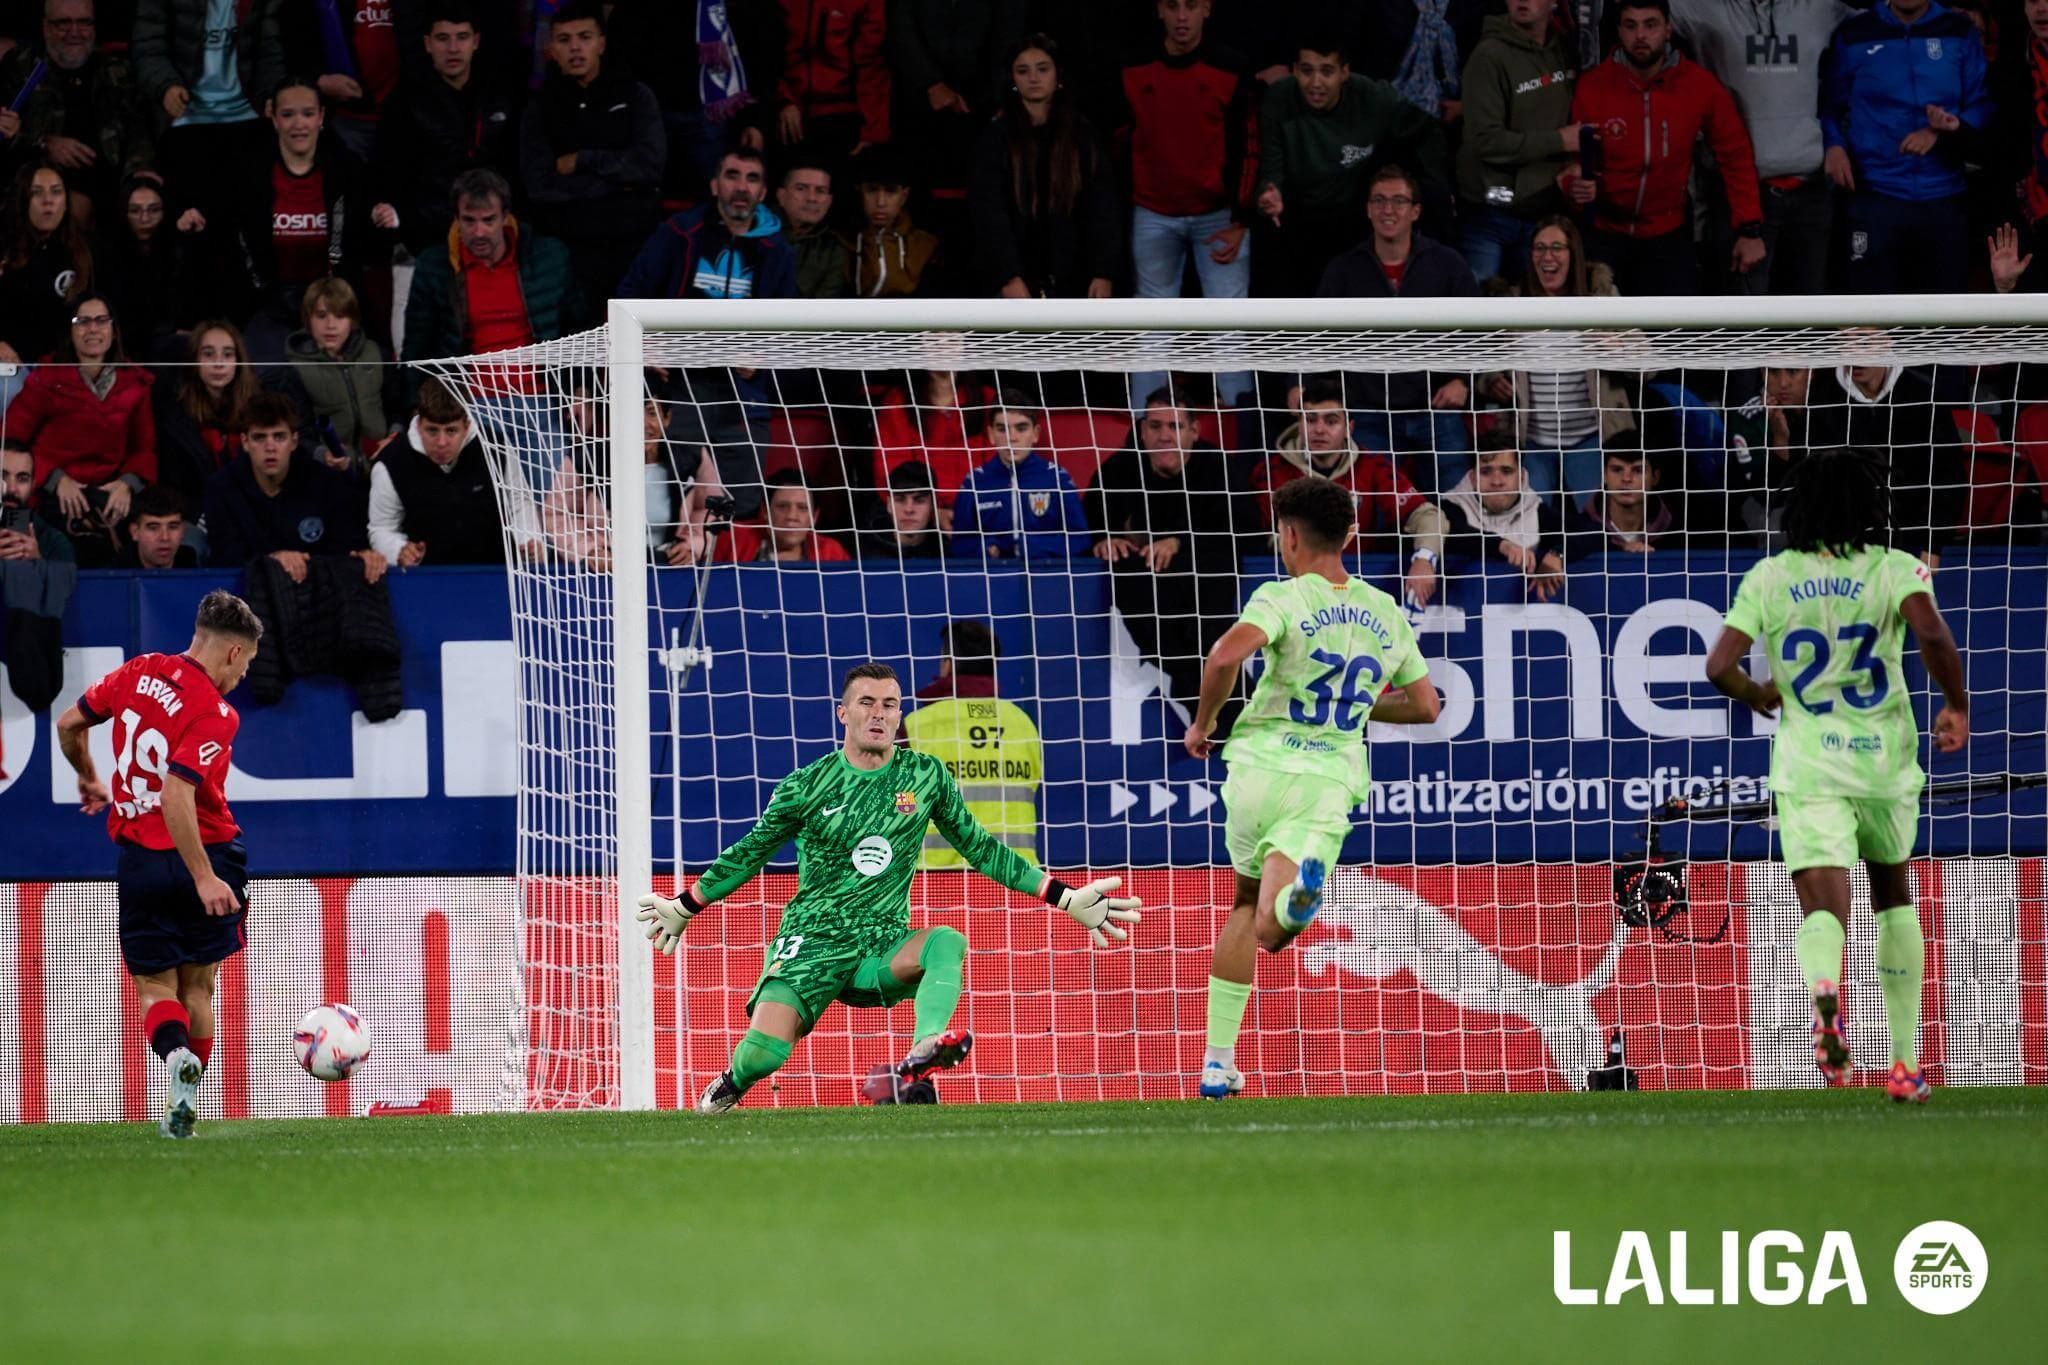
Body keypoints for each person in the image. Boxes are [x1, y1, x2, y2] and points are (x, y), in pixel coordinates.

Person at [633, 661, 1140, 1113]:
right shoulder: (806, 785)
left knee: (947, 941)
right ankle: (730, 1083)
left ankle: (922, 1051)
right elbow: (752, 850)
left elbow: (982, 848)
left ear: (900, 716)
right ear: (843, 714)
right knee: (765, 1056)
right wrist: (686, 903)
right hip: (813, 939)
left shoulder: (926, 776)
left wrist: (1066, 896)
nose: (879, 713)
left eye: (890, 704)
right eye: (867, 703)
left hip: (882, 941)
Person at [1704, 448, 1970, 1103]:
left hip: (1810, 762)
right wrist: (1957, 703)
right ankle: (1905, 1063)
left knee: (1824, 908)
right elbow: (1931, 633)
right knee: (1892, 894)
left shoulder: (1770, 576)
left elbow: (1717, 665)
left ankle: (1826, 991)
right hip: (1882, 760)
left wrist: (1756, 692)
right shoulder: (1893, 568)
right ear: (1868, 506)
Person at [1183, 474, 1441, 1099]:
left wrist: (1203, 721)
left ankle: (1218, 1061)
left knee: (1245, 909)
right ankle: (1301, 901)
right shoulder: (1384, 611)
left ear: (1288, 535)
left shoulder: (1283, 595)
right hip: (1325, 780)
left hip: (1256, 770)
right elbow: (1428, 707)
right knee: (1275, 931)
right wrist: (1356, 713)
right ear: (1350, 534)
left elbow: (1222, 658)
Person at [53, 588, 264, 1138]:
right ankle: (186, 1098)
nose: (240, 680)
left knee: (154, 987)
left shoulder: (138, 671)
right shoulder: (216, 712)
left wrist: (87, 774)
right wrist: (203, 875)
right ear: (235, 654)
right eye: (245, 667)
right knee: (200, 987)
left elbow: (67, 724)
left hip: (142, 860)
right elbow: (177, 795)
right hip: (207, 852)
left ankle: (174, 1064)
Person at [1565, 0, 1764, 297]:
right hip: (1606, 235)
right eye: (1631, 26)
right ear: (1619, 31)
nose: (1641, 36)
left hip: (1668, 236)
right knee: (1603, 338)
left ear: (1668, 30)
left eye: (1650, 24)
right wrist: (1573, 182)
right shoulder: (1593, 86)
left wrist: (1749, 228)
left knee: (1672, 339)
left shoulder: (1699, 85)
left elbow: (1734, 153)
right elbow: (1572, 161)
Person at [1121, 0, 1257, 406]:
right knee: (1150, 327)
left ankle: (1242, 435)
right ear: (1159, 10)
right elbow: (1118, 141)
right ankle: (1146, 431)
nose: (1182, 17)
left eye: (1191, 6)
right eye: (1173, 6)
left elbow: (1250, 145)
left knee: (1229, 326)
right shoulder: (1132, 64)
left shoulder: (1231, 66)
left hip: (1218, 216)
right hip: (1152, 211)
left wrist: (1241, 218)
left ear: (1208, 10)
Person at [1315, 164, 1478, 493]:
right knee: (1372, 511)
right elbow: (1317, 335)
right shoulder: (1344, 269)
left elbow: (1480, 331)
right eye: (1379, 200)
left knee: (1456, 506)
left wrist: (1463, 379)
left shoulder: (1448, 264)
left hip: (1435, 408)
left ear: (1416, 211)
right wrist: (1298, 383)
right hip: (1368, 409)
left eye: (1398, 201)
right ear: (1367, 209)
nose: (1388, 209)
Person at [1670, 0, 1849, 296]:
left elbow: (1886, 20)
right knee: (1744, 325)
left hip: (1810, 190)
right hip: (1740, 193)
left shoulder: (1819, 7)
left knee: (1808, 320)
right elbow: (1641, 19)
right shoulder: (1703, 8)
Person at [1252, 32, 1451, 296]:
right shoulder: (1279, 100)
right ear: (1294, 71)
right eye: (1306, 71)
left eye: (1326, 71)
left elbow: (1426, 130)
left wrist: (1438, 183)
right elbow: (1270, 163)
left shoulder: (1373, 97)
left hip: (1352, 215)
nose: (1315, 83)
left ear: (1344, 72)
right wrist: (1270, 189)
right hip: (1296, 216)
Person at [1090, 384, 1249, 707]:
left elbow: (1246, 530)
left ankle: (1214, 705)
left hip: (1203, 593)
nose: (1165, 436)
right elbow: (1092, 522)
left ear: (1194, 430)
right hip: (1154, 603)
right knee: (1127, 567)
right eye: (1155, 426)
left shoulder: (1218, 469)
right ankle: (1233, 707)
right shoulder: (1117, 472)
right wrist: (1105, 539)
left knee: (1209, 565)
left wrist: (1180, 542)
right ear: (1142, 431)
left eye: (1175, 426)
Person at [1821, 0, 1991, 295]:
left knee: (1943, 316)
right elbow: (1830, 104)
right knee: (1872, 316)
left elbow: (1981, 103)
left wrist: (1943, 132)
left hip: (1944, 195)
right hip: (1874, 195)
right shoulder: (1854, 33)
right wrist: (1834, 145)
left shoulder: (1959, 31)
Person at [1248, 375, 1447, 607]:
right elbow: (1265, 535)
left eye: (1331, 421)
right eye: (1310, 420)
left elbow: (1427, 515)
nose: (1319, 429)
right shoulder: (1270, 472)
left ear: (1348, 428)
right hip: (1293, 589)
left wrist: (1424, 560)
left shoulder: (1373, 466)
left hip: (1361, 586)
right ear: (1299, 423)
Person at [517, 0, 666, 309]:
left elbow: (649, 167)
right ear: (551, 49)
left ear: (602, 43)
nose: (575, 48)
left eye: (584, 37)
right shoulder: (539, 108)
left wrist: (583, 161)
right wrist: (616, 183)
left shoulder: (636, 95)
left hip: (631, 238)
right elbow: (540, 185)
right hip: (568, 243)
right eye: (564, 39)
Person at [131, 0, 287, 293]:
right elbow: (148, 47)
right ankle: (192, 316)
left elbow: (270, 48)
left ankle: (255, 310)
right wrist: (165, 85)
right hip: (187, 121)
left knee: (253, 227)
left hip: (246, 117)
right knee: (194, 229)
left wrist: (270, 93)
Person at [1479, 216, 1632, 503]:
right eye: (1539, 248)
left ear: (1572, 254)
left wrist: (1619, 349)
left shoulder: (1601, 298)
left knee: (1596, 528)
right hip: (1532, 443)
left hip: (1591, 439)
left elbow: (1649, 363)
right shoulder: (1512, 304)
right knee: (1534, 529)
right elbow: (1482, 365)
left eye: (1556, 247)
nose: (1547, 256)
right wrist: (1490, 381)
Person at [3, 292, 153, 566]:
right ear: (70, 331)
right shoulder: (47, 377)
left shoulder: (135, 381)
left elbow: (144, 448)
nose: (93, 329)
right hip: (46, 495)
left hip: (111, 496)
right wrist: (56, 479)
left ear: (113, 330)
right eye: (82, 321)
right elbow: (10, 439)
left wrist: (127, 484)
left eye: (101, 320)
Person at [967, 34, 1120, 299]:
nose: (1033, 78)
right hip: (1015, 279)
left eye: (1042, 69)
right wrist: (1008, 276)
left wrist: (1103, 271)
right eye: (1023, 71)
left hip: (1076, 276)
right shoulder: (996, 138)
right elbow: (990, 213)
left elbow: (1102, 208)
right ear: (1012, 79)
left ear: (1057, 74)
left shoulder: (1082, 135)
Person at [370, 1, 523, 258]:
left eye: (461, 38)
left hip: (493, 230)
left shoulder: (501, 95)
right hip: (427, 235)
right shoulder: (403, 104)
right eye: (443, 39)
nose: (453, 49)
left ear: (475, 41)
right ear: (428, 44)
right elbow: (390, 173)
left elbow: (514, 169)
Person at [1455, 0, 1580, 282]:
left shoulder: (1565, 50)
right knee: (1479, 315)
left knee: (1537, 319)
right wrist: (1559, 142)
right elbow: (1485, 141)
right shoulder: (1488, 56)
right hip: (1489, 214)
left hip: (1544, 211)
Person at [0, 0, 155, 228]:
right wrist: (43, 144)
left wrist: (139, 175)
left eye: (84, 22)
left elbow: (139, 131)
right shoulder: (20, 67)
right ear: (45, 27)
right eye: (63, 23)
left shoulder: (117, 71)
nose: (75, 32)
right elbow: (7, 137)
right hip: (39, 188)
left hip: (112, 190)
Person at [903, 619, 1044, 870]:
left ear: (947, 664)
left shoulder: (917, 726)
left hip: (938, 885)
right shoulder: (1022, 724)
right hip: (1017, 881)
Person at [201, 390, 381, 581]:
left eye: (279, 437)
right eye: (260, 438)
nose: (270, 447)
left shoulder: (327, 483)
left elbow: (345, 549)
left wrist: (363, 557)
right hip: (247, 598)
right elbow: (224, 560)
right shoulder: (221, 488)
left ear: (294, 441)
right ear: (245, 442)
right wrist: (271, 562)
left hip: (319, 594)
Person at [369, 375, 538, 569]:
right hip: (427, 577)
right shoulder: (390, 463)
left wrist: (528, 539)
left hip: (495, 572)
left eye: (451, 431)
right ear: (418, 425)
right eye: (432, 431)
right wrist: (398, 550)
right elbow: (381, 528)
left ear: (466, 426)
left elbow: (518, 503)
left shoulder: (497, 448)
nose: (441, 443)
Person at [618, 145, 797, 302]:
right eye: (732, 176)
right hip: (678, 339)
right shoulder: (678, 232)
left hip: (745, 341)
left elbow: (785, 319)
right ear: (714, 186)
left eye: (752, 179)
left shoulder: (778, 250)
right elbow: (633, 292)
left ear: (762, 193)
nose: (742, 187)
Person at [948, 392, 1090, 560]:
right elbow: (958, 544)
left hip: (1046, 579)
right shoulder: (975, 482)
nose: (1012, 438)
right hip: (991, 580)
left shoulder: (1057, 479)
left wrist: (1032, 547)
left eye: (1021, 428)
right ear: (991, 434)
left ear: (1035, 433)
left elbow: (1081, 539)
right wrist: (986, 547)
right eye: (1002, 429)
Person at [0, 160, 94, 406]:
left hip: (63, 366)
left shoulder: (83, 252)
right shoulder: (4, 249)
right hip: (11, 363)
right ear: (22, 200)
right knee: (7, 392)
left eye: (56, 192)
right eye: (36, 193)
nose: (48, 201)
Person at [285, 276, 401, 474]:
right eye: (321, 316)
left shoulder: (376, 354)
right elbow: (299, 433)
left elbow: (397, 407)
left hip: (384, 465)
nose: (331, 325)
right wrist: (322, 454)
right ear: (308, 319)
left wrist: (394, 437)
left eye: (339, 315)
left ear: (353, 320)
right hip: (329, 474)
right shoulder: (296, 370)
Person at [1438, 431, 1566, 600]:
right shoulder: (1449, 506)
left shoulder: (1535, 508)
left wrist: (1557, 554)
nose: (1496, 481)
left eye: (1506, 471)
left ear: (1520, 477)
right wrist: (1502, 546)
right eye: (1486, 472)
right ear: (1472, 478)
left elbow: (1588, 532)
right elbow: (1456, 535)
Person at [92, 173, 203, 359]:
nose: (145, 219)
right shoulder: (106, 253)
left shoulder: (177, 247)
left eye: (154, 210)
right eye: (135, 211)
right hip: (125, 346)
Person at [774, 0, 891, 169]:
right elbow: (767, 52)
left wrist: (873, 129)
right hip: (787, 112)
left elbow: (871, 64)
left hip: (843, 113)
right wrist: (783, 100)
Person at [1566, 439, 1684, 556]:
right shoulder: (1578, 532)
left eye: (1638, 470)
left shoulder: (1678, 532)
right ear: (1604, 476)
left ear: (1655, 477)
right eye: (1617, 470)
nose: (1626, 478)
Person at [850, 145, 939, 298]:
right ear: (859, 191)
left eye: (891, 191)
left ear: (904, 196)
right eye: (872, 190)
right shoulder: (840, 242)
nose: (880, 202)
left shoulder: (925, 245)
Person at [714, 469, 853, 563]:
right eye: (782, 506)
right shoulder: (730, 540)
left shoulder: (831, 553)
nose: (792, 516)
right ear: (765, 511)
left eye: (803, 508)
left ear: (814, 517)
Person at [775, 153, 851, 299]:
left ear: (829, 202)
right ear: (781, 196)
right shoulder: (757, 233)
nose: (812, 198)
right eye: (801, 188)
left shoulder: (834, 250)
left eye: (820, 191)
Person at [857, 457, 944, 561]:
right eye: (900, 500)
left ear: (934, 505)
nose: (908, 509)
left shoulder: (947, 552)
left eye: (919, 501)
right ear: (889, 504)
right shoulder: (865, 554)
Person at [116, 483, 198, 567]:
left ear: (183, 530)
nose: (165, 537)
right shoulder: (115, 573)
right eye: (153, 528)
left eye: (173, 527)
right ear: (135, 532)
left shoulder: (188, 561)